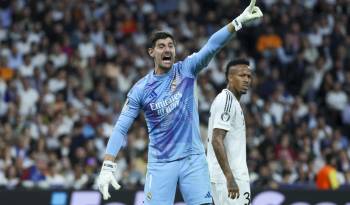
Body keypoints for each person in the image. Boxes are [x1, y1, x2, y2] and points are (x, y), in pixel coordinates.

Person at [97, 1, 263, 204]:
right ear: (152, 52)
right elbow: (121, 127)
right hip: (161, 163)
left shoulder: (186, 70)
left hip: (192, 159)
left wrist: (237, 22)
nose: (167, 49)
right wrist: (108, 165)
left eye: (170, 45)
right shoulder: (140, 89)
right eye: (161, 46)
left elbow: (212, 46)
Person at [207, 59, 252, 205]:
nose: (246, 80)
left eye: (248, 76)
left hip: (233, 177)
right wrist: (229, 177)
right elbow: (217, 139)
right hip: (229, 179)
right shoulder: (226, 100)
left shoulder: (233, 102)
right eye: (241, 75)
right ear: (230, 78)